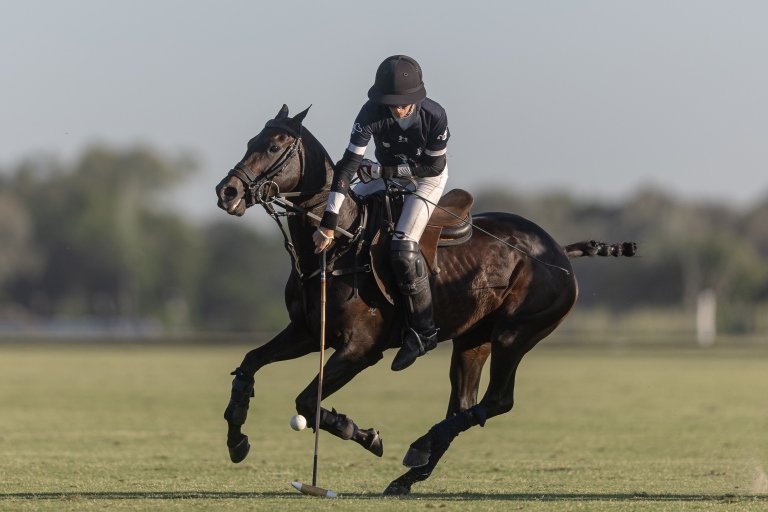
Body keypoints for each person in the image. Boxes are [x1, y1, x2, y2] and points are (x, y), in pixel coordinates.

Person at [312, 55, 450, 371]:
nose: (398, 108)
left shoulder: (434, 115)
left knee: (403, 246)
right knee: (351, 218)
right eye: (392, 103)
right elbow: (348, 164)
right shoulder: (370, 113)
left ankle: (424, 330)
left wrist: (383, 170)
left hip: (425, 180)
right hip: (381, 174)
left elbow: (434, 166)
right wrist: (329, 222)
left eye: (403, 103)